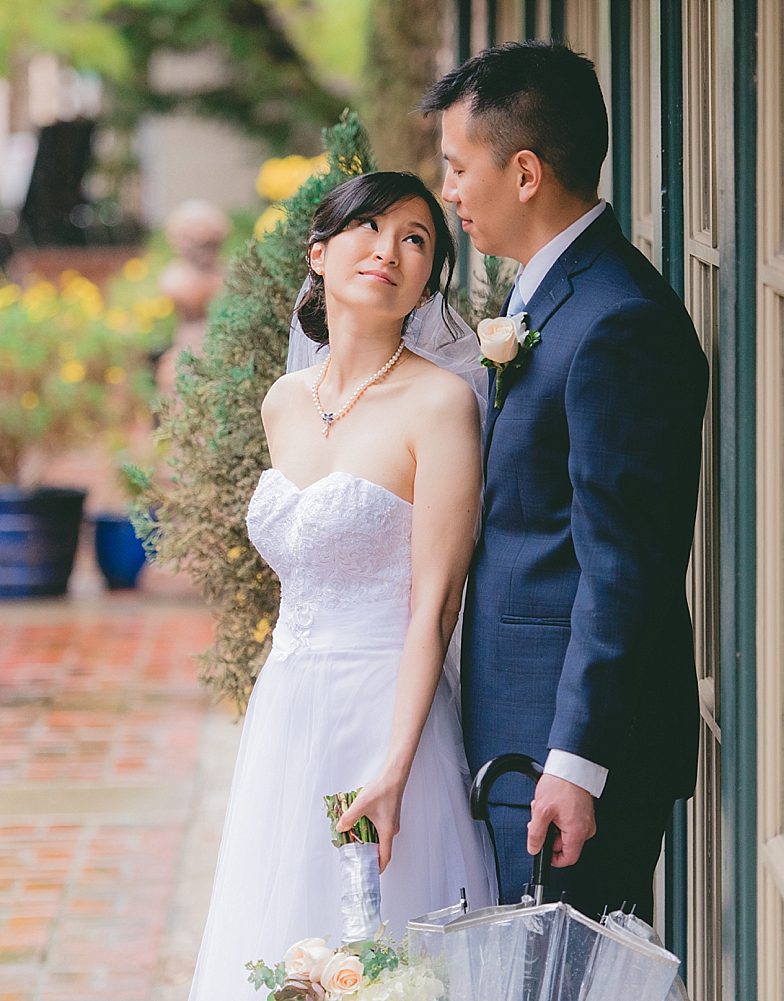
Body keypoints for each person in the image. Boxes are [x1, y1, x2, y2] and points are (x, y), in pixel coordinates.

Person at [185, 171, 497, 1000]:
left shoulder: (441, 405)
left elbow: (435, 603)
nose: (389, 251)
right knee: (278, 937)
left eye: (416, 239)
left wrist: (396, 765)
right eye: (369, 228)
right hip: (287, 710)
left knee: (384, 952)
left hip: (384, 711)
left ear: (430, 276)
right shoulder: (285, 402)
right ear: (319, 254)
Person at [418, 41, 710, 923]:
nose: (450, 194)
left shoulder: (617, 320)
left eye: (459, 169)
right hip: (519, 733)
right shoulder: (547, 301)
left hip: (567, 756)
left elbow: (622, 565)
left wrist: (575, 764)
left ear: (527, 171)